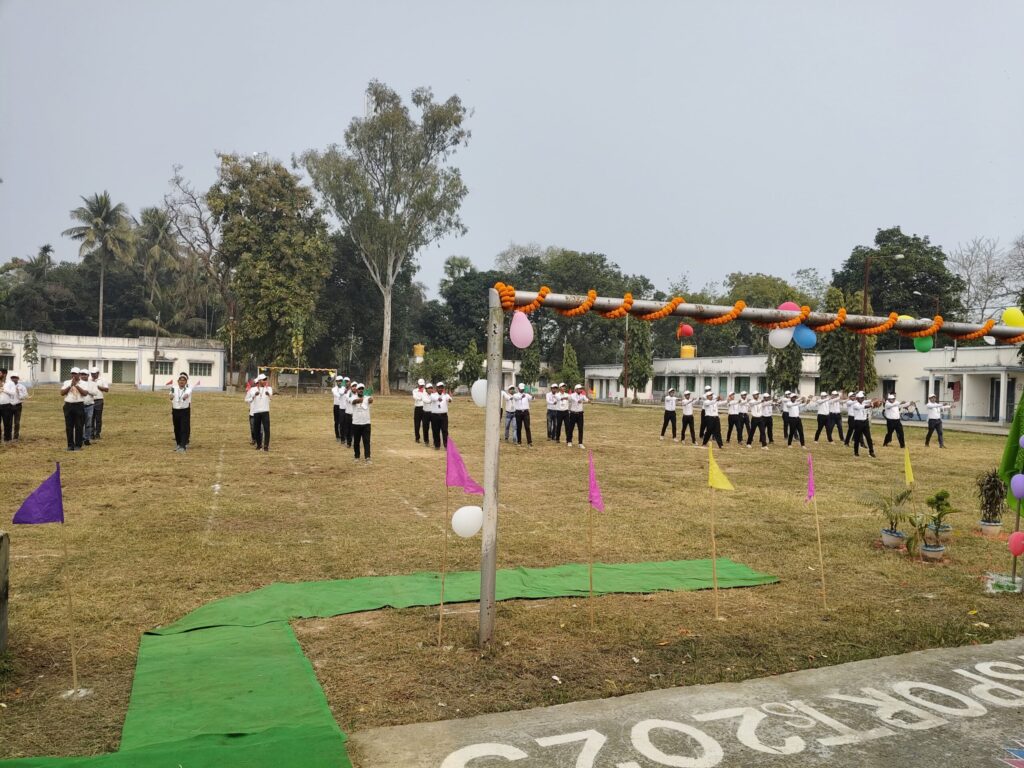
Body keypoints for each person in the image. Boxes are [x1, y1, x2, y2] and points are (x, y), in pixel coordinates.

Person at [60, 367, 90, 451]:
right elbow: (62, 393)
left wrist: (76, 385)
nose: (73, 375)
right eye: (72, 373)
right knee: (69, 426)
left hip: (78, 405)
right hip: (68, 405)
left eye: (75, 374)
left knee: (79, 426)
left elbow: (85, 393)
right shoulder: (67, 382)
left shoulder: (84, 383)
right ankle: (70, 445)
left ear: (79, 374)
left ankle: (78, 445)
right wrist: (70, 385)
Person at [246, 373, 272, 451]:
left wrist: (268, 394)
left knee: (266, 429)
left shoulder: (269, 388)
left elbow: (271, 396)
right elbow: (247, 400)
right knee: (256, 429)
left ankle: (266, 446)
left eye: (266, 380)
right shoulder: (253, 389)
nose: (265, 381)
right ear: (259, 381)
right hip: (256, 411)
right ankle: (259, 445)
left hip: (265, 411)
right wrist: (254, 396)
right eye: (264, 380)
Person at [350, 383, 373, 463]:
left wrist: (369, 397)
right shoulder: (353, 397)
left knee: (366, 441)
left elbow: (371, 400)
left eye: (362, 389)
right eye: (359, 389)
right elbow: (354, 401)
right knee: (356, 441)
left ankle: (367, 457)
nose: (361, 390)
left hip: (366, 423)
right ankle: (357, 456)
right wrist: (362, 399)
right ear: (356, 390)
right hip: (356, 423)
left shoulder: (367, 397)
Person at [170, 372, 192, 451]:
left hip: (184, 410)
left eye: (183, 380)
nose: (182, 381)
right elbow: (171, 395)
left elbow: (187, 394)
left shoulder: (188, 388)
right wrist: (171, 396)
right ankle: (178, 444)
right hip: (175, 410)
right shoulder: (173, 388)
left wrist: (185, 396)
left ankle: (183, 445)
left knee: (184, 427)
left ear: (186, 382)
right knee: (176, 428)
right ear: (178, 381)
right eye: (180, 380)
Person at [850, 391, 876, 458]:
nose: (862, 399)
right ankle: (856, 453)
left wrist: (873, 401)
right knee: (857, 438)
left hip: (865, 422)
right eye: (861, 398)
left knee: (869, 438)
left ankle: (871, 452)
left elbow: (868, 402)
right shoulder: (855, 405)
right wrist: (871, 405)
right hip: (858, 423)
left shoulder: (864, 402)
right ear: (857, 398)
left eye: (863, 398)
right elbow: (863, 407)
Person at [88, 367, 109, 440]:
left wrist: (97, 386)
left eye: (94, 374)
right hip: (90, 400)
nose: (93, 375)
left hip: (99, 401)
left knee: (98, 418)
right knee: (91, 418)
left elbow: (106, 389)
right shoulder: (89, 379)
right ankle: (91, 434)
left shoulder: (103, 380)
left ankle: (97, 433)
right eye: (92, 374)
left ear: (98, 373)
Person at [79, 369, 98, 446]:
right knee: (79, 423)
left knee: (88, 423)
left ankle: (87, 439)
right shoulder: (78, 383)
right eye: (82, 374)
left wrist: (87, 391)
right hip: (80, 405)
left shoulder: (93, 383)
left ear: (88, 375)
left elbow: (95, 393)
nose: (83, 376)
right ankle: (80, 438)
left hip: (89, 405)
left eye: (85, 374)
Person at [431, 381, 452, 450]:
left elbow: (450, 399)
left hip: (444, 416)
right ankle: (437, 445)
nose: (441, 389)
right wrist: (438, 398)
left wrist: (449, 399)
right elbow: (433, 398)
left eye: (442, 388)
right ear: (436, 388)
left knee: (445, 430)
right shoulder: (433, 394)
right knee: (435, 431)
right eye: (439, 388)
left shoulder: (445, 395)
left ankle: (446, 445)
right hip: (435, 416)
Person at [567, 384, 588, 448]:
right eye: (579, 389)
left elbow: (586, 399)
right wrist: (581, 401)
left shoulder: (582, 395)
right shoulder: (571, 395)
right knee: (571, 428)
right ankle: (569, 441)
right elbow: (577, 401)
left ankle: (580, 443)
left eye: (581, 389)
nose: (581, 390)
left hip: (580, 414)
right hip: (573, 414)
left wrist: (589, 401)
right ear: (576, 389)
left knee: (580, 429)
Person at [513, 382, 533, 447]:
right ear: (518, 388)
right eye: (521, 389)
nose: (522, 390)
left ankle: (529, 442)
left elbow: (532, 398)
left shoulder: (526, 395)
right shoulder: (515, 395)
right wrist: (522, 396)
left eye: (523, 389)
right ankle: (519, 441)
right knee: (519, 427)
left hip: (525, 412)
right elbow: (517, 398)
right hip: (518, 412)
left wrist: (532, 396)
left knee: (527, 427)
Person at [11, 372, 28, 441]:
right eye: (12, 377)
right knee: (8, 422)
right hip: (9, 406)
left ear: (18, 378)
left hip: (18, 406)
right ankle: (8, 436)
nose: (14, 379)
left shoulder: (22, 386)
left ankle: (16, 436)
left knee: (17, 422)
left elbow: (25, 395)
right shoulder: (8, 386)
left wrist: (19, 392)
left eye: (15, 377)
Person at [412, 378, 429, 444]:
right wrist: (422, 395)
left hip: (425, 408)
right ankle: (417, 438)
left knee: (425, 425)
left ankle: (426, 440)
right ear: (418, 384)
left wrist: (422, 394)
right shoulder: (415, 391)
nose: (421, 386)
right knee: (417, 424)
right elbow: (416, 398)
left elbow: (428, 398)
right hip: (418, 408)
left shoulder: (426, 391)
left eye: (422, 385)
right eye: (420, 385)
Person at [0, 370, 15, 444]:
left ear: (4, 374)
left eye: (0, 373)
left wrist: (4, 389)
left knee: (7, 423)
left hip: (6, 406)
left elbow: (13, 393)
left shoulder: (10, 383)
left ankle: (7, 438)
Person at [331, 375, 346, 442]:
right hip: (336, 406)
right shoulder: (334, 389)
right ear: (336, 382)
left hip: (343, 406)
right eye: (338, 381)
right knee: (336, 422)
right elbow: (338, 395)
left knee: (343, 422)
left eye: (341, 381)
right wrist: (342, 392)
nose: (339, 382)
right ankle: (337, 435)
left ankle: (343, 435)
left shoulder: (344, 388)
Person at [341, 376, 355, 447]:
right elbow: (350, 400)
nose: (354, 387)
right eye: (353, 386)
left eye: (355, 386)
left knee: (354, 429)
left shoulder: (357, 394)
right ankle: (348, 443)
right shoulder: (347, 393)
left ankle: (354, 442)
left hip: (355, 414)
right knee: (348, 428)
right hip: (348, 413)